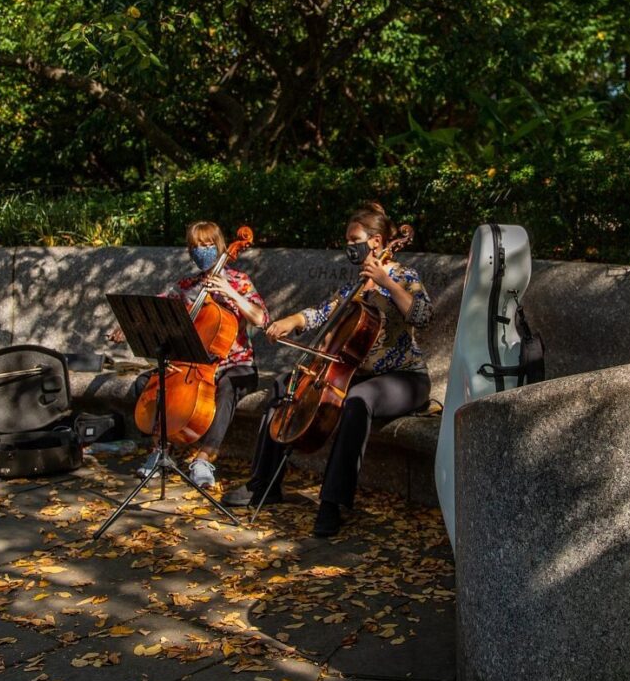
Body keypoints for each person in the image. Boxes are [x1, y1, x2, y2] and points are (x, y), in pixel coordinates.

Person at [223, 202, 433, 537]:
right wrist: (291, 321)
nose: (349, 246)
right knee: (284, 386)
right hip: (357, 374)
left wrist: (386, 284)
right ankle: (264, 484)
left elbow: (422, 315)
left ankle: (332, 503)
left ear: (376, 242)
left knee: (358, 401)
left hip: (404, 379)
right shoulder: (357, 284)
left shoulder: (404, 276)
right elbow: (324, 312)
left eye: (355, 239)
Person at [107, 221, 268, 489]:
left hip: (234, 364)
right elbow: (156, 311)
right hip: (192, 364)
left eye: (206, 245)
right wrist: (129, 325)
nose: (200, 251)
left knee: (228, 388)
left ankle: (204, 458)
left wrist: (229, 291)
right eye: (195, 247)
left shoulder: (239, 281)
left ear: (218, 246)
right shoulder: (185, 286)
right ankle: (159, 452)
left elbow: (261, 318)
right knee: (148, 383)